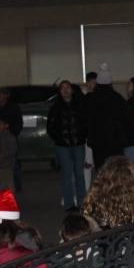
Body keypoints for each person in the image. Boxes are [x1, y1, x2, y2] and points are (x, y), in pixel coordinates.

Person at [47, 80, 88, 211]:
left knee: (80, 174)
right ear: (59, 91)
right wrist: (58, 139)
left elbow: (86, 123)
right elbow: (50, 126)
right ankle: (69, 204)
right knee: (67, 175)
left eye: (68, 87)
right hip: (62, 146)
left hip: (78, 145)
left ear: (72, 90)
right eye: (62, 88)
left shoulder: (80, 105)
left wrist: (83, 136)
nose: (65, 90)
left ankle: (82, 202)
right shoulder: (55, 107)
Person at [84, 62, 129, 173]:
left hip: (98, 142)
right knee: (116, 170)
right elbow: (126, 119)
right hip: (116, 142)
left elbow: (87, 121)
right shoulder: (118, 98)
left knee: (101, 170)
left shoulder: (91, 99)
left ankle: (103, 190)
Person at [0, 87, 23, 192]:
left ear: (6, 95)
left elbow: (18, 124)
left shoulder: (13, 108)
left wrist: (10, 131)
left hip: (9, 136)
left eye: (0, 94)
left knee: (13, 165)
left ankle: (16, 187)